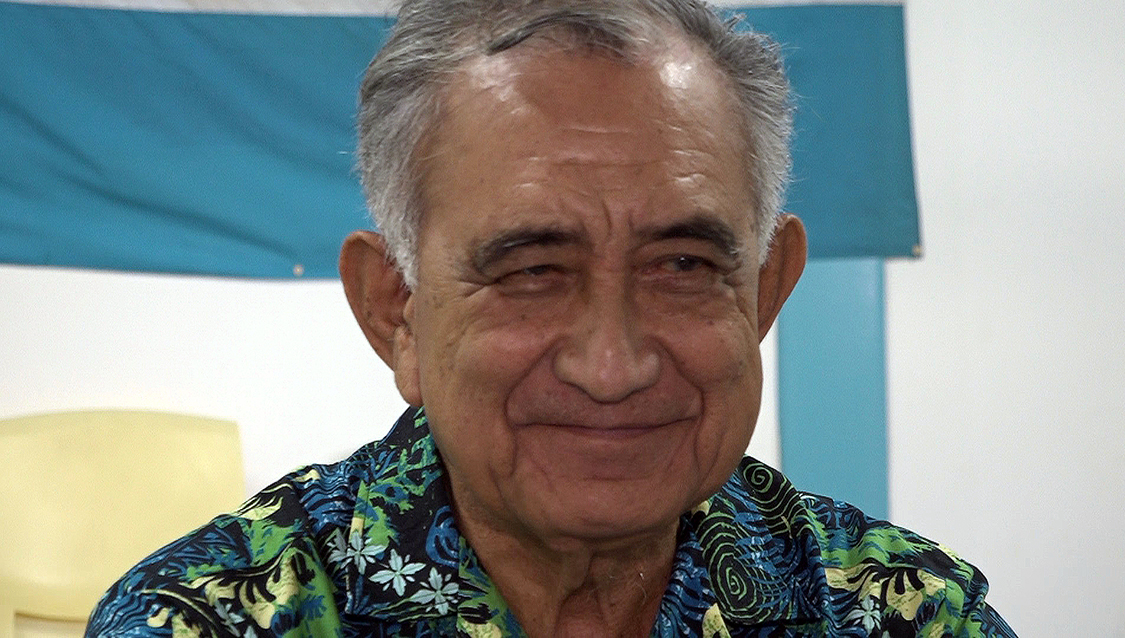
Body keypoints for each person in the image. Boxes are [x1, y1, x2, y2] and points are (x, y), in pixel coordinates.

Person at [87, 1, 1015, 636]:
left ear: (765, 291)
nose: (612, 366)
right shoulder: (207, 619)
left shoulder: (900, 612)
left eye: (683, 266)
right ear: (395, 311)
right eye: (533, 272)